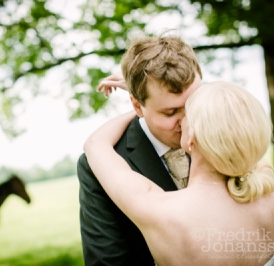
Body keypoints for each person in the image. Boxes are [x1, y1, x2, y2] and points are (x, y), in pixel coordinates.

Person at [84, 81, 274, 265]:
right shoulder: (267, 193)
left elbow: (95, 144)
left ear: (192, 138)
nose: (181, 118)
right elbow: (239, 133)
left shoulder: (161, 210)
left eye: (187, 113)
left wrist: (144, 103)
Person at [77, 33, 202, 265]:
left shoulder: (218, 133)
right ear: (137, 105)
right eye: (170, 112)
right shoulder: (99, 163)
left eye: (193, 104)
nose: (188, 123)